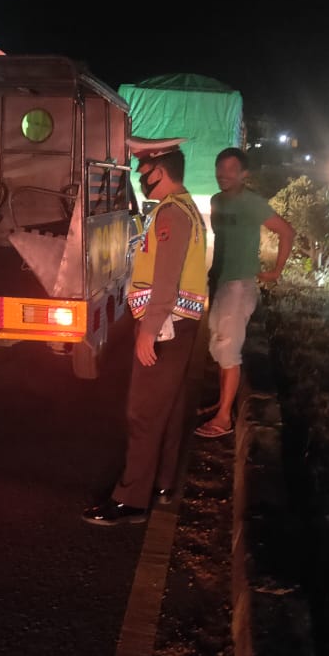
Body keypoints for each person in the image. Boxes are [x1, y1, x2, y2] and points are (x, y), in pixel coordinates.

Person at [83, 137, 208, 526]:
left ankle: (131, 500)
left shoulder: (171, 214)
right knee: (167, 411)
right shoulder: (185, 208)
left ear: (161, 171)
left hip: (166, 326)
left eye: (144, 170)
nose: (139, 177)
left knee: (143, 413)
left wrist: (148, 330)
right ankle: (162, 483)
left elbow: (166, 280)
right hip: (182, 326)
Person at [194, 147, 295, 439]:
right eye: (219, 168)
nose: (223, 174)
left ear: (244, 174)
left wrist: (276, 271)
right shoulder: (216, 201)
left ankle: (224, 418)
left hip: (239, 284)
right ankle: (222, 403)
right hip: (220, 280)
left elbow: (287, 231)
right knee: (219, 344)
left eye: (230, 169)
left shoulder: (252, 203)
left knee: (228, 350)